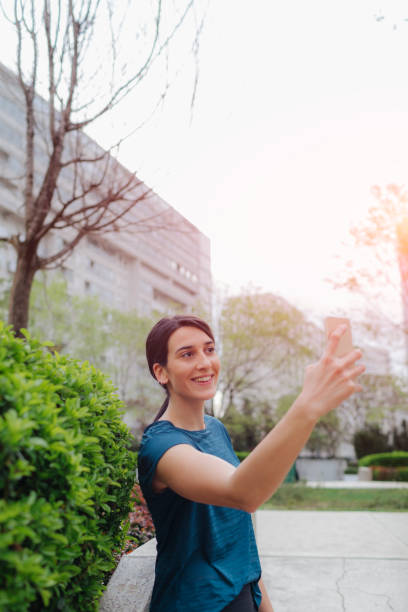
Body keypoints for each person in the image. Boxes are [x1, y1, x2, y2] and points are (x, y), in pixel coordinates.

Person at [138, 314, 364, 611]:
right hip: (193, 603)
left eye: (209, 349)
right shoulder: (160, 446)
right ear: (161, 372)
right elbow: (243, 493)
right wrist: (308, 406)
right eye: (187, 354)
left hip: (242, 597)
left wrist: (264, 603)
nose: (205, 362)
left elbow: (238, 535)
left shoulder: (216, 429)